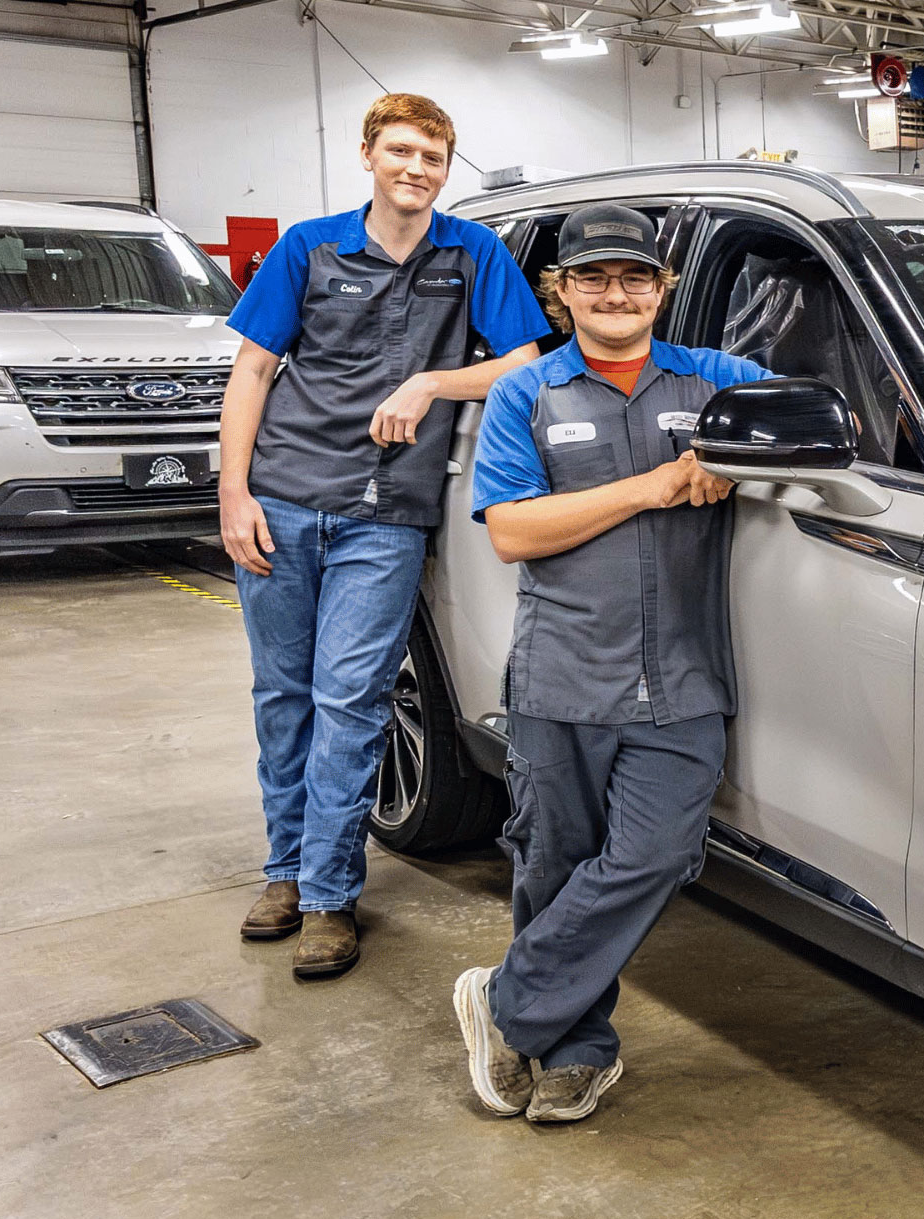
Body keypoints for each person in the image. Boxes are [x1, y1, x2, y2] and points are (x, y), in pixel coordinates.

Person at [451, 203, 774, 1123]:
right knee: (555, 861)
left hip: (683, 677)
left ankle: (505, 1003)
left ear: (664, 288)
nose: (615, 293)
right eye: (591, 277)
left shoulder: (719, 381)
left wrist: (740, 453)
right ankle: (577, 1050)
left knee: (659, 854)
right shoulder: (531, 394)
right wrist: (660, 483)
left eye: (636, 276)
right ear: (561, 294)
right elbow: (512, 529)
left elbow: (815, 427)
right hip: (565, 672)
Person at [220, 93, 548, 977]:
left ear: (447, 170)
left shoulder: (472, 252)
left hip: (386, 515)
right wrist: (233, 494)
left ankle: (329, 895)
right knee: (281, 697)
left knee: (351, 703)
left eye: (433, 158)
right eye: (400, 152)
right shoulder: (310, 247)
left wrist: (434, 384)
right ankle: (282, 872)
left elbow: (525, 361)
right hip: (283, 499)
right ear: (368, 155)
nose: (417, 169)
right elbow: (252, 369)